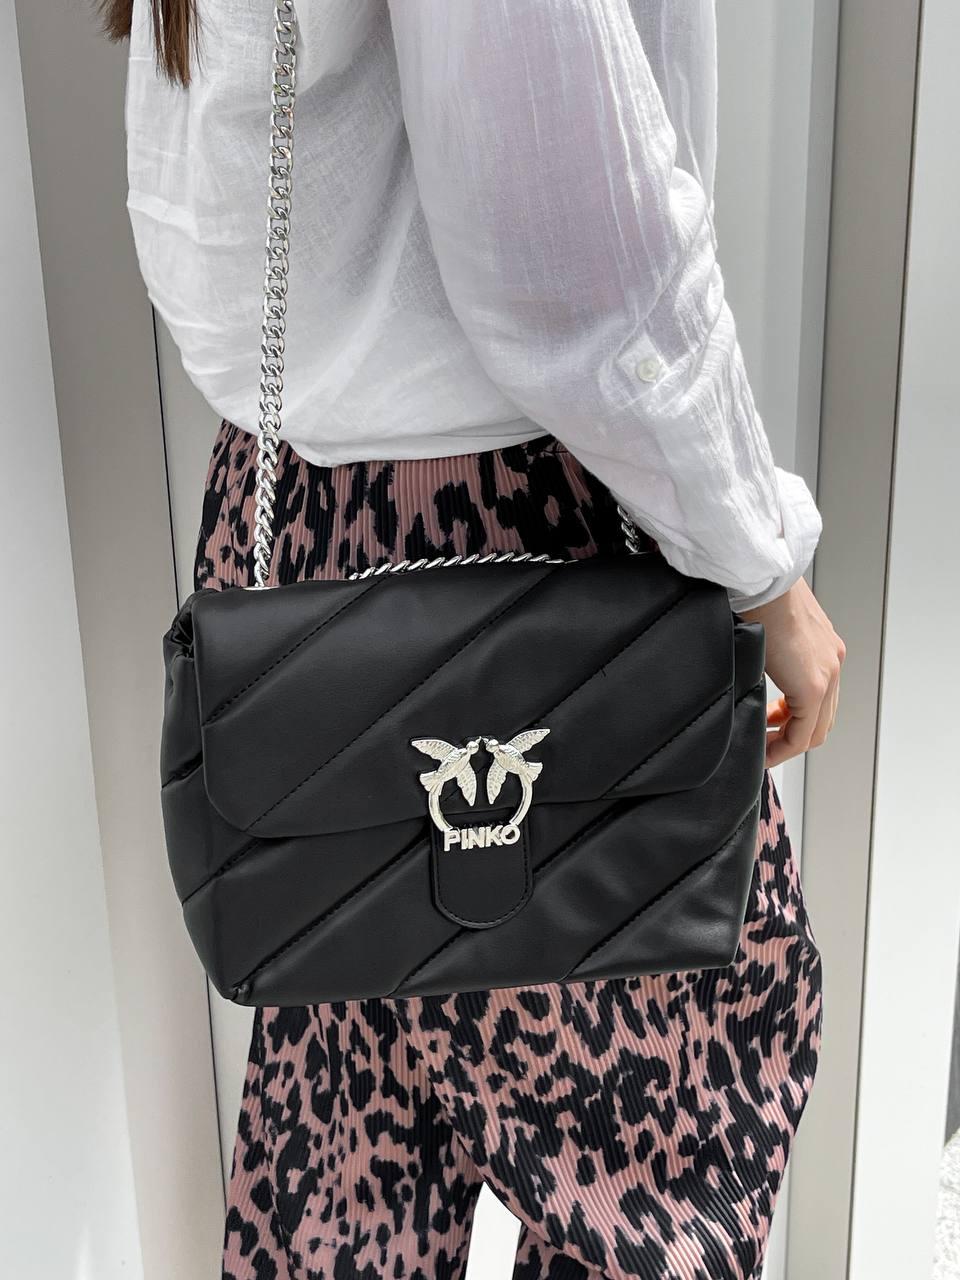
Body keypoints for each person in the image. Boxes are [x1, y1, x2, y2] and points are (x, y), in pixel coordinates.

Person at [105, 1, 845, 1276]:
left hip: (308, 544)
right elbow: (569, 257)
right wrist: (758, 561)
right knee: (670, 1146)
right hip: (523, 529)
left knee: (352, 1152)